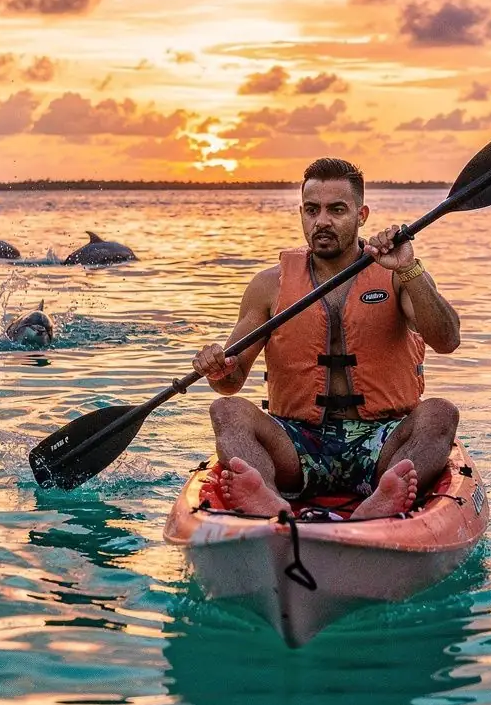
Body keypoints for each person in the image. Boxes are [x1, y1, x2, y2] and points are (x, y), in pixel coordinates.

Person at [192, 157, 461, 521]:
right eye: (311, 209)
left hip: (383, 439)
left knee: (440, 414)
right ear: (301, 213)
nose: (322, 221)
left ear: (361, 214)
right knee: (226, 412)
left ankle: (383, 497)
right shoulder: (269, 285)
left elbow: (447, 340)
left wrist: (410, 269)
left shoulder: (399, 274)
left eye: (336, 209)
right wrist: (215, 368)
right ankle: (268, 498)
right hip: (298, 440)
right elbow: (231, 383)